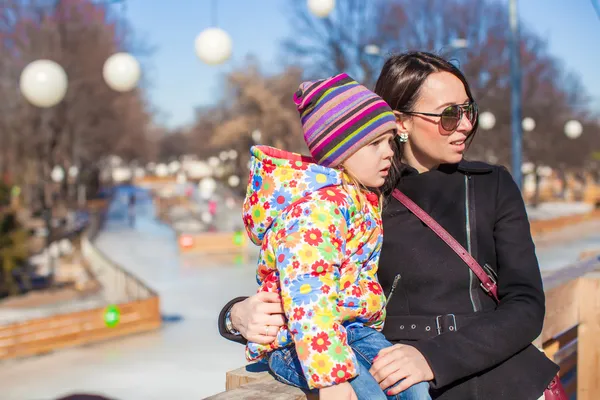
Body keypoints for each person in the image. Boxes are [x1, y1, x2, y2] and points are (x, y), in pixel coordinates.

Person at [218, 52, 559, 400]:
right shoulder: (355, 197)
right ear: (402, 122)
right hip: (390, 376)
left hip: (498, 379)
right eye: (449, 114)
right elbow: (304, 282)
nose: (466, 124)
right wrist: (235, 315)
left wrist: (433, 358)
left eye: (468, 110)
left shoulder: (490, 185)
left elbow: (526, 305)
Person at [238, 73, 431, 400]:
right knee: (367, 394)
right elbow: (308, 292)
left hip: (354, 332)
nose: (388, 153)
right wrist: (330, 379)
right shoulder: (316, 210)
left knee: (412, 388)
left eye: (389, 141)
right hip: (299, 341)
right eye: (374, 144)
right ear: (340, 151)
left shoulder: (359, 197)